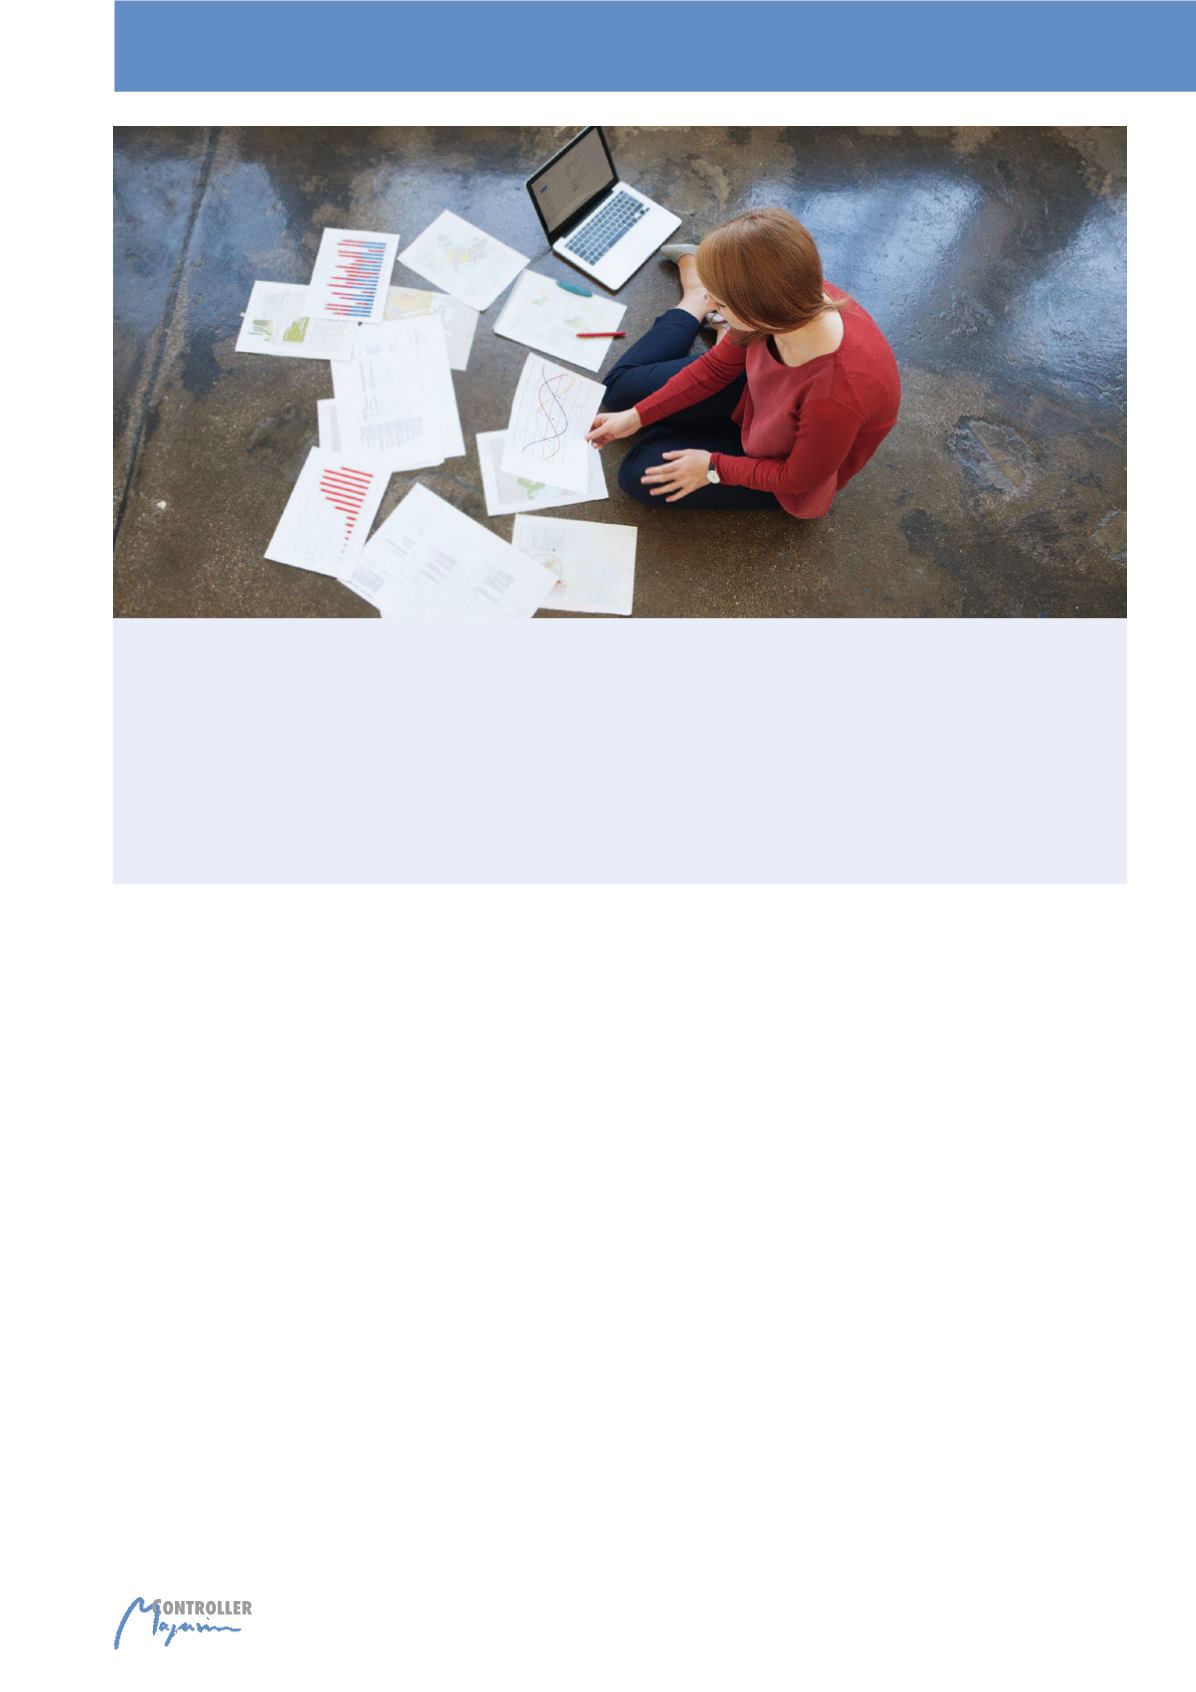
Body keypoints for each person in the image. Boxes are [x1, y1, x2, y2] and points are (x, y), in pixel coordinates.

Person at [586, 208, 901, 516]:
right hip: (758, 395)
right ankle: (695, 301)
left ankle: (702, 422)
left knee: (639, 473)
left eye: (720, 304)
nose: (715, 307)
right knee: (620, 394)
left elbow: (798, 478)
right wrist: (637, 416)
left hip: (783, 460)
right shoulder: (784, 299)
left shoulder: (836, 397)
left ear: (758, 315)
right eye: (714, 299)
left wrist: (714, 467)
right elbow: (716, 368)